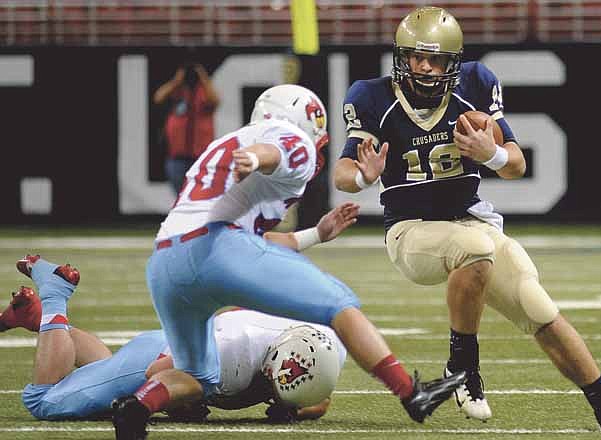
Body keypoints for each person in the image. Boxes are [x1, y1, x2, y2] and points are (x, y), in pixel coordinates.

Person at [332, 6, 601, 433]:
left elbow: (515, 165)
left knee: (536, 304)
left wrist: (491, 154)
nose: (424, 66)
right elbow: (342, 175)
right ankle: (464, 365)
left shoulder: (476, 85)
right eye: (415, 56)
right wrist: (362, 175)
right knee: (477, 248)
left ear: (454, 62)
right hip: (410, 232)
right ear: (401, 56)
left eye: (435, 59)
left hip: (469, 220)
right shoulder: (371, 96)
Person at [108, 83, 466, 440]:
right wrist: (256, 159)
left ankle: (138, 406)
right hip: (216, 249)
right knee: (338, 303)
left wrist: (319, 229)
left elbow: (251, 236)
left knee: (196, 375)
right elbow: (276, 150)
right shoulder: (290, 138)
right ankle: (410, 393)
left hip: (166, 263)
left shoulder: (219, 146)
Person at [0, 262, 347, 423]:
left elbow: (320, 396)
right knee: (43, 402)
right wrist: (180, 401)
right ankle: (55, 291)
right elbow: (157, 372)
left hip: (178, 341)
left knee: (103, 373)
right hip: (164, 358)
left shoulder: (319, 344)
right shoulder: (231, 359)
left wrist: (301, 407)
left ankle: (33, 316)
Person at [154, 58, 220, 194]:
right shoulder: (177, 92)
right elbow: (158, 98)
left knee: (201, 195)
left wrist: (202, 77)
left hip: (201, 157)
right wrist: (177, 80)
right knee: (180, 196)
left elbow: (216, 100)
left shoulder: (204, 93)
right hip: (176, 156)